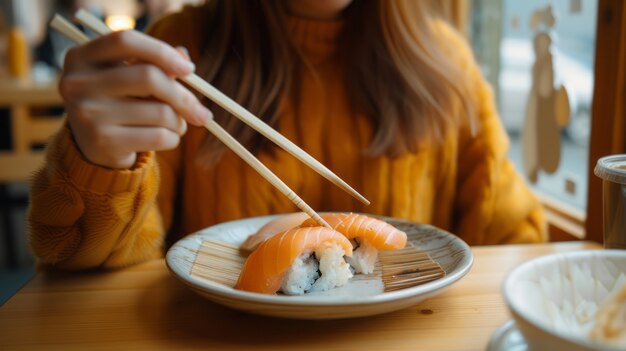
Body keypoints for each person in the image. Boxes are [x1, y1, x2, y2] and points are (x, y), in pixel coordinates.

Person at [27, 0, 547, 270]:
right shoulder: (177, 55)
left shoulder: (447, 65)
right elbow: (83, 270)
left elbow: (515, 246)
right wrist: (102, 165)